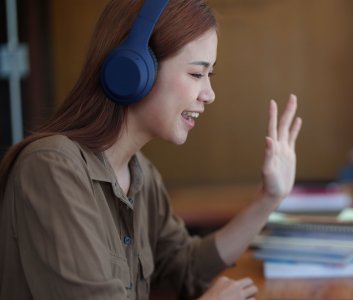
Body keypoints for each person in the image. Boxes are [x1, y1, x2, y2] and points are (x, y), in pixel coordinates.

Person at [0, 0, 302, 299]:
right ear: (134, 70)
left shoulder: (141, 173)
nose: (209, 95)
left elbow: (186, 269)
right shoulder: (51, 169)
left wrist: (268, 199)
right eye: (197, 74)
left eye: (211, 75)